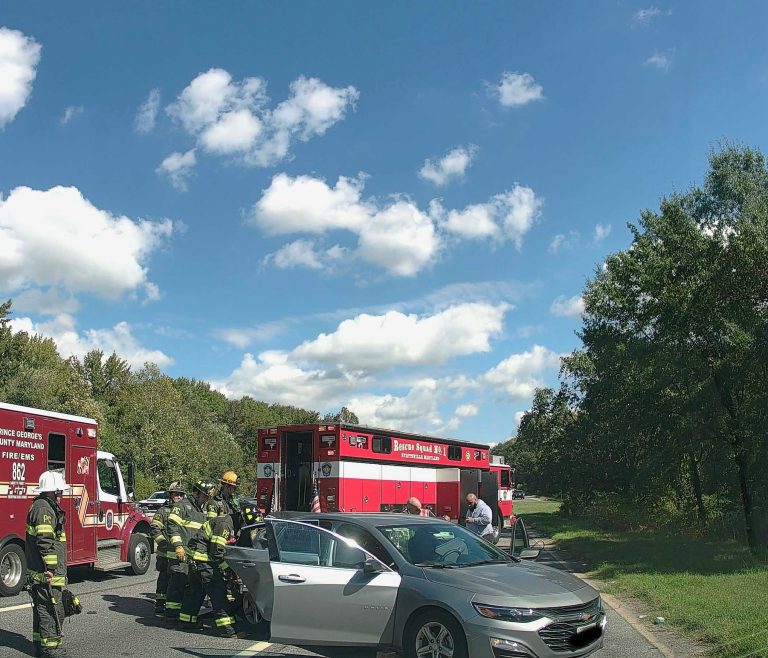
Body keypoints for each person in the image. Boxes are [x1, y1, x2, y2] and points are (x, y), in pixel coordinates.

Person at [26, 470, 69, 658]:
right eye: (59, 491)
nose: (61, 495)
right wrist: (51, 569)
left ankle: (41, 644)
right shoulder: (44, 509)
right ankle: (52, 650)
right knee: (51, 610)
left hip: (42, 571)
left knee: (42, 609)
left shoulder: (42, 506)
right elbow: (45, 541)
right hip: (47, 573)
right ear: (52, 491)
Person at [179, 500, 237, 637]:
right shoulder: (224, 524)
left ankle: (187, 622)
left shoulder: (222, 521)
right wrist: (229, 569)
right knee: (218, 594)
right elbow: (217, 552)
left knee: (195, 592)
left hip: (196, 561)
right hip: (205, 562)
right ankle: (228, 630)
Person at [165, 479, 217, 623]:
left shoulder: (201, 511)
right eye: (204, 496)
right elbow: (172, 526)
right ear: (196, 493)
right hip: (180, 553)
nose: (206, 500)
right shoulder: (182, 506)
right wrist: (178, 546)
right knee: (178, 582)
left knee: (189, 585)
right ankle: (171, 615)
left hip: (192, 555)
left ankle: (181, 616)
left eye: (208, 497)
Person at [149, 481, 185, 617]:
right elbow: (154, 529)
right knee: (164, 577)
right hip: (165, 552)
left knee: (176, 579)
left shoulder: (184, 511)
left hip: (178, 552)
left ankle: (174, 604)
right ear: (171, 495)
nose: (179, 497)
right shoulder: (163, 511)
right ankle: (160, 603)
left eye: (181, 494)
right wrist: (163, 543)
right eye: (176, 494)